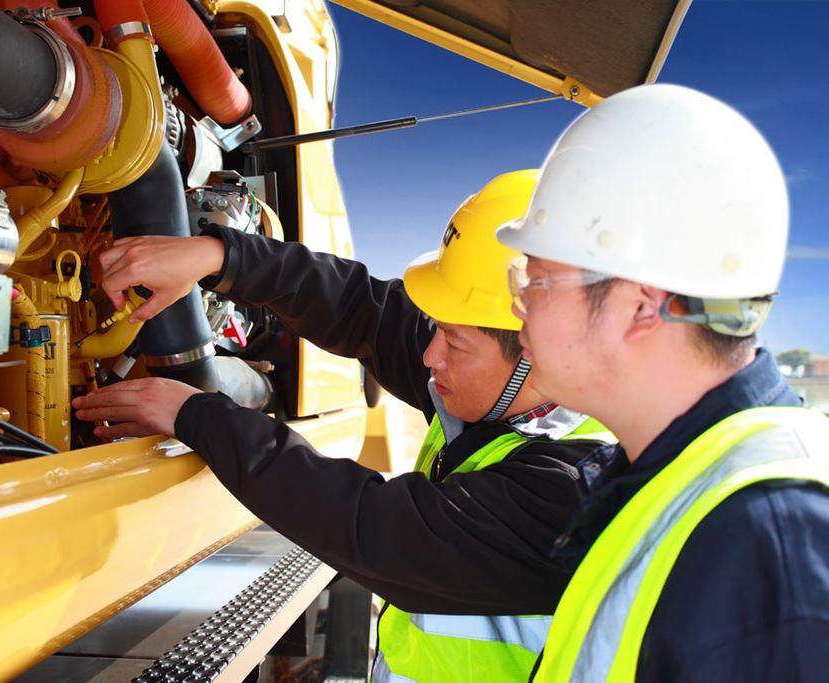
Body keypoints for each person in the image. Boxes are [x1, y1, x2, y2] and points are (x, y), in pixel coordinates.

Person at [73, 170, 613, 680]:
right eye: (437, 330)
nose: (429, 356)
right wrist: (220, 256)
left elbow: (371, 527)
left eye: (454, 342)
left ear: (542, 350)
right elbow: (363, 309)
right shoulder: (504, 395)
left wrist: (195, 414)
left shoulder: (580, 489)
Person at [495, 84, 829, 681]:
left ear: (642, 308)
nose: (519, 307)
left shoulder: (772, 548)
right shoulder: (675, 481)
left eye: (537, 282)